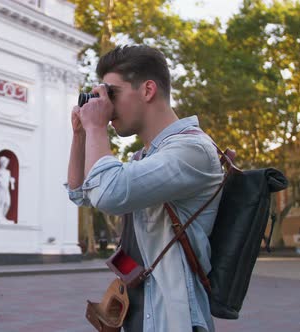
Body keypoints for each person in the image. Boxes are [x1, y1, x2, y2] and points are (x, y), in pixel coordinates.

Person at [65, 45, 224, 332]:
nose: (106, 106)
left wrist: (98, 128)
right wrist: (82, 134)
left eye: (111, 93)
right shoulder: (144, 158)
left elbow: (108, 193)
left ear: (148, 90)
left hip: (171, 318)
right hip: (141, 309)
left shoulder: (192, 150)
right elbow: (82, 193)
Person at [0, 156, 15, 224]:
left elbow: (8, 179)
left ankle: (3, 217)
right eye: (5, 162)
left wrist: (11, 180)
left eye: (7, 163)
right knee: (0, 202)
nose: (6, 164)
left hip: (6, 189)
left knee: (7, 203)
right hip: (0, 188)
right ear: (2, 163)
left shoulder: (8, 172)